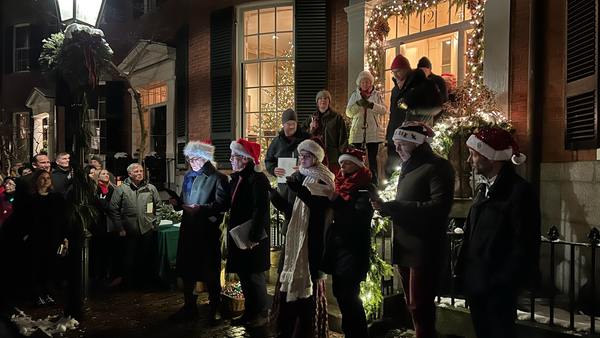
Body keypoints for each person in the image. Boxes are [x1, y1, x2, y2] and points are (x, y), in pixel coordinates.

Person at [372, 122, 455, 338]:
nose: (396, 149)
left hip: (423, 247)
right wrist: (387, 208)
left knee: (420, 304)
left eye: (401, 144)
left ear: (416, 143)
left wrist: (396, 207)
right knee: (411, 303)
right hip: (406, 245)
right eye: (395, 144)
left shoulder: (438, 166)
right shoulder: (409, 166)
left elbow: (439, 207)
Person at [458, 127, 540, 338]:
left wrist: (503, 281)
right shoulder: (483, 190)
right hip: (478, 285)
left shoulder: (519, 192)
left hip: (497, 290)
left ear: (491, 157)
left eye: (474, 154)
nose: (469, 160)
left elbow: (525, 244)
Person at [270, 138, 334, 338]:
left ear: (316, 158)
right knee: (287, 287)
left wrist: (299, 190)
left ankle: (307, 331)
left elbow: (319, 208)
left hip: (312, 241)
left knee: (310, 290)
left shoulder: (324, 178)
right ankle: (287, 329)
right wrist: (273, 194)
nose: (302, 159)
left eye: (306, 156)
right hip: (294, 238)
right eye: (301, 155)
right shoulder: (298, 175)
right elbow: (291, 209)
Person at [170, 141, 230, 324]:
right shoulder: (188, 176)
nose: (191, 162)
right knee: (187, 270)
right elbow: (184, 200)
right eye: (189, 159)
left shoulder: (219, 178)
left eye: (195, 158)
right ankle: (189, 306)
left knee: (210, 271)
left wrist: (201, 209)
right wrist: (178, 204)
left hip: (207, 232)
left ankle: (214, 307)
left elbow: (223, 204)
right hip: (188, 230)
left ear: (205, 158)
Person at [322, 148, 373, 338]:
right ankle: (350, 332)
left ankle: (358, 334)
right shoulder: (340, 183)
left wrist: (336, 201)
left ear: (357, 165)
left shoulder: (363, 187)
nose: (342, 166)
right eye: (342, 163)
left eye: (347, 163)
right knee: (340, 292)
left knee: (348, 295)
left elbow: (359, 219)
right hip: (339, 247)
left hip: (353, 249)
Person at [227, 139, 271, 327]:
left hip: (252, 237)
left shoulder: (257, 179)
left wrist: (254, 236)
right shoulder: (237, 177)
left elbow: (260, 209)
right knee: (245, 275)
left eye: (234, 156)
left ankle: (261, 313)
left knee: (255, 276)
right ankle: (249, 312)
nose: (230, 160)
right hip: (239, 236)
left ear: (245, 159)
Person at [108, 163, 161, 288]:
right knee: (129, 259)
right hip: (129, 230)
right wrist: (120, 228)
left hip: (146, 229)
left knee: (145, 258)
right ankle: (129, 284)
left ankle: (144, 283)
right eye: (136, 171)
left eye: (141, 171)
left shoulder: (150, 188)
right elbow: (113, 209)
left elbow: (158, 206)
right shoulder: (122, 189)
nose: (139, 173)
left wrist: (155, 223)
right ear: (130, 174)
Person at [25, 170, 69, 306]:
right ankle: (37, 294)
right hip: (36, 237)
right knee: (36, 267)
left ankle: (48, 293)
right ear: (36, 180)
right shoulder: (30, 199)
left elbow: (63, 219)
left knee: (50, 266)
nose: (46, 180)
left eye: (48, 178)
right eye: (42, 178)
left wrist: (64, 237)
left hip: (53, 237)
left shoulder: (57, 198)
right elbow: (25, 218)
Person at [265, 108, 310, 232]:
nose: (290, 127)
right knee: (287, 215)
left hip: (301, 184)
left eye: (293, 124)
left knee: (301, 217)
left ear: (297, 124)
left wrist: (303, 167)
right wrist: (274, 170)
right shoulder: (276, 142)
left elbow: (316, 159)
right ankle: (287, 244)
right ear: (283, 124)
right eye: (288, 124)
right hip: (284, 186)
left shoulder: (306, 139)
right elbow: (268, 160)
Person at [346, 70, 387, 186]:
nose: (365, 84)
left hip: (373, 132)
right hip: (358, 132)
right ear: (359, 83)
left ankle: (373, 182)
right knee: (357, 159)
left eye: (367, 82)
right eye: (363, 82)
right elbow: (348, 112)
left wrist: (372, 105)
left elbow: (384, 110)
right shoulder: (355, 95)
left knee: (373, 160)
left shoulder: (377, 95)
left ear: (371, 83)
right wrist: (357, 105)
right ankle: (358, 181)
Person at [302, 90, 348, 173]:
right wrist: (310, 128)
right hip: (316, 156)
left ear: (329, 101)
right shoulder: (312, 118)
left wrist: (342, 156)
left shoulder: (337, 118)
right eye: (320, 98)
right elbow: (302, 134)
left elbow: (343, 138)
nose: (323, 100)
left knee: (333, 181)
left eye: (325, 98)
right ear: (317, 102)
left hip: (332, 157)